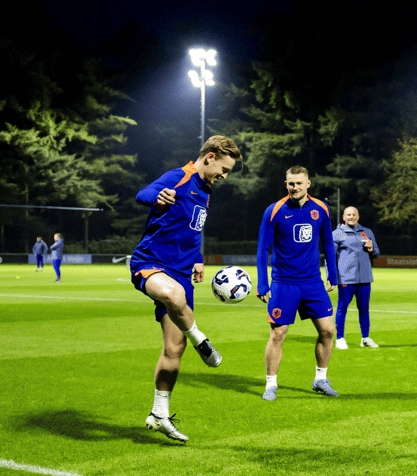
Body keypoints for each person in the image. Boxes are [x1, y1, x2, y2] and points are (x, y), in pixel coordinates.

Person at [130, 135, 241, 442]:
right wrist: (159, 197)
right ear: (210, 157)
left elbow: (192, 230)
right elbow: (143, 193)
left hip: (181, 270)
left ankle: (159, 414)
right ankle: (202, 341)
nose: (224, 176)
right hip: (150, 262)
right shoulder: (181, 176)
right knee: (173, 295)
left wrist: (197, 259)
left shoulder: (205, 190)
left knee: (173, 348)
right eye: (224, 168)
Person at [257, 166, 339, 401]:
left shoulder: (321, 209)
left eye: (299, 183)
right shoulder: (274, 211)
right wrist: (263, 284)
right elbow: (263, 249)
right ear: (286, 185)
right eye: (291, 184)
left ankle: (320, 379)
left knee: (327, 330)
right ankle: (271, 385)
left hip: (313, 282)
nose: (295, 187)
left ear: (308, 183)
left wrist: (332, 274)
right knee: (278, 334)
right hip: (284, 283)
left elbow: (328, 243)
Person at [333, 206, 380, 350]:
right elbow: (330, 257)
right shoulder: (337, 234)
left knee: (364, 309)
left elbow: (376, 253)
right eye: (348, 215)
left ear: (358, 217)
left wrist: (371, 248)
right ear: (343, 217)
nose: (351, 217)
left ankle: (365, 338)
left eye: (354, 214)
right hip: (346, 278)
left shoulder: (367, 232)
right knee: (342, 308)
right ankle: (340, 338)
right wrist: (332, 277)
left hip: (365, 278)